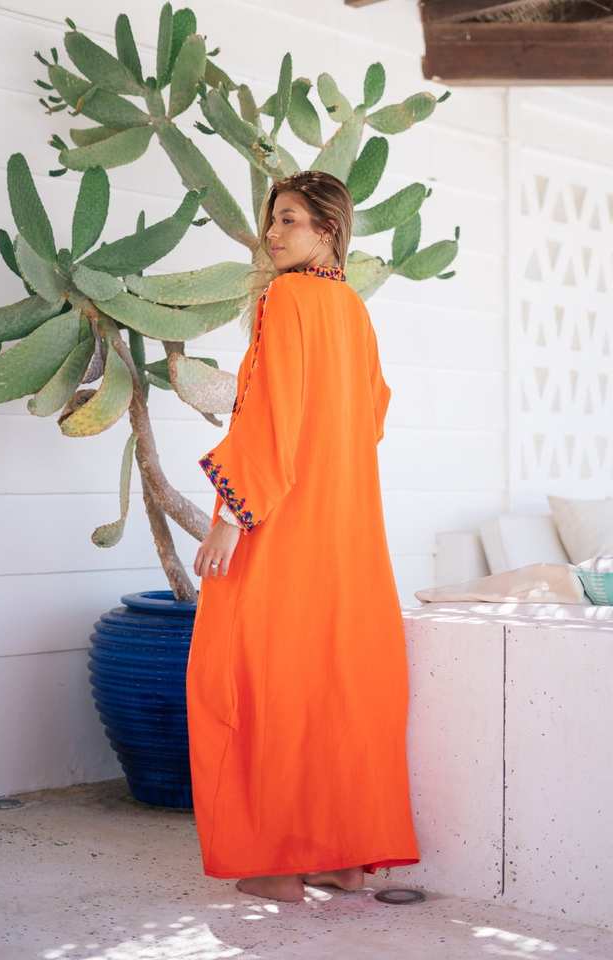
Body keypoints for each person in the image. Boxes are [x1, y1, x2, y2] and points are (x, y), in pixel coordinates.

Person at [187, 169, 420, 904]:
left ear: (329, 229)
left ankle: (278, 866)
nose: (273, 232)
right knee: (335, 682)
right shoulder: (352, 310)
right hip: (347, 529)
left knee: (261, 679)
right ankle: (342, 860)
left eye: (289, 219)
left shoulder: (285, 299)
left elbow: (270, 416)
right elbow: (371, 416)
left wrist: (231, 519)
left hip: (282, 527)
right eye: (273, 218)